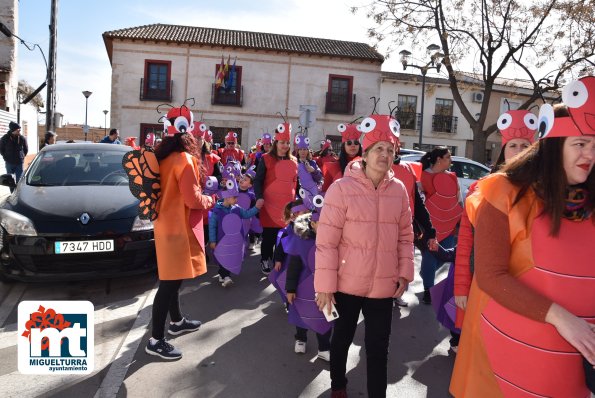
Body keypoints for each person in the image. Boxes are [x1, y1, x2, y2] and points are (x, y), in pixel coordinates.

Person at [450, 88, 595, 397]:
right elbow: (488, 272)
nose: (591, 155)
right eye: (581, 144)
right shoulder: (502, 191)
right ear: (554, 146)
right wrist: (562, 318)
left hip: (578, 365)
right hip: (513, 353)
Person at [315, 114, 414, 398]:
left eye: (390, 150)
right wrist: (324, 285)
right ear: (365, 153)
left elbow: (405, 236)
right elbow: (327, 242)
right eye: (378, 149)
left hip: (383, 286)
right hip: (347, 283)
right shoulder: (341, 189)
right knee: (342, 340)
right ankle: (338, 386)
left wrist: (405, 272)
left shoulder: (399, 191)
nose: (384, 155)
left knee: (378, 348)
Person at [453, 109, 536, 333]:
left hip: (530, 289)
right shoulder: (482, 189)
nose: (519, 152)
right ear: (503, 151)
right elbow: (466, 242)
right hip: (487, 285)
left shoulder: (544, 191)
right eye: (513, 146)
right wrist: (461, 286)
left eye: (525, 146)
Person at [144, 119, 216, 360]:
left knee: (173, 279)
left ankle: (176, 322)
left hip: (165, 226)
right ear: (189, 136)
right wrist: (210, 200)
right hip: (177, 228)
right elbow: (193, 199)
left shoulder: (163, 157)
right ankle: (155, 340)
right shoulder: (185, 160)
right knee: (168, 284)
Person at [418, 146, 462, 304]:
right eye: (448, 157)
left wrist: (459, 219)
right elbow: (418, 201)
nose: (451, 160)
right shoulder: (422, 176)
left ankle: (425, 273)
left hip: (450, 225)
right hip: (430, 227)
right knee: (430, 257)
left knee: (445, 257)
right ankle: (428, 289)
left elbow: (458, 199)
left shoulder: (452, 177)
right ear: (439, 159)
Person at [286, 211, 332, 362]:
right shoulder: (301, 240)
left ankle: (324, 347)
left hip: (325, 287)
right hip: (303, 285)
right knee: (302, 314)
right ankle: (301, 338)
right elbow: (293, 266)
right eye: (322, 224)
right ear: (313, 224)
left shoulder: (333, 240)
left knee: (324, 317)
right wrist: (291, 289)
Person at [253, 122, 298, 275]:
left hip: (286, 205)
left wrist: (297, 203)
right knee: (269, 236)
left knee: (284, 236)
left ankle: (280, 261)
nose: (285, 145)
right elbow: (258, 180)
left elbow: (295, 183)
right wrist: (259, 197)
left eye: (287, 142)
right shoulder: (265, 159)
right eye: (282, 142)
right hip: (269, 204)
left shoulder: (294, 161)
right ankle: (265, 259)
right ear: (276, 142)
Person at [208, 176, 262, 286]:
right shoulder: (217, 211)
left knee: (230, 256)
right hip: (221, 240)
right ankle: (225, 276)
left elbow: (247, 214)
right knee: (223, 257)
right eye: (234, 198)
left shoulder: (237, 208)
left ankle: (223, 275)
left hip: (233, 240)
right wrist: (212, 240)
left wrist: (256, 208)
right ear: (227, 198)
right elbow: (212, 227)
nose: (237, 200)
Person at [321, 123, 362, 192]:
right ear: (343, 146)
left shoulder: (367, 166)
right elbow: (326, 190)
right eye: (349, 143)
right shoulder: (333, 167)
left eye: (356, 143)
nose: (353, 145)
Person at [0, 121, 28, 189]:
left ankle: (18, 194)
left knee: (19, 181)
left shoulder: (22, 138)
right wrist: (5, 157)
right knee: (10, 181)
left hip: (19, 163)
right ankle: (12, 194)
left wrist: (22, 157)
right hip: (9, 163)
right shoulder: (5, 138)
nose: (19, 130)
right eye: (18, 129)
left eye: (19, 129)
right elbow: (1, 149)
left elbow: (26, 149)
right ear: (13, 130)